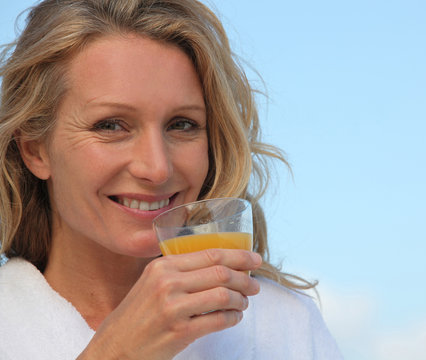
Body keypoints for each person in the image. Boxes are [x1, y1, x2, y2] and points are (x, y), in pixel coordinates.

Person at [0, 0, 342, 359]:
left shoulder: (285, 328)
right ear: (35, 149)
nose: (157, 168)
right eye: (111, 125)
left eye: (182, 125)